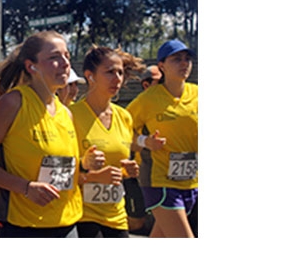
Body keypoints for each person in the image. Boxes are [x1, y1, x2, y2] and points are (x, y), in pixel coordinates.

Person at [0, 30, 84, 238]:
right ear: (32, 66)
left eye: (67, 56)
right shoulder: (13, 103)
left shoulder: (66, 113)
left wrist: (88, 163)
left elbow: (64, 168)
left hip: (68, 225)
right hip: (23, 228)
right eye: (54, 57)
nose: (65, 63)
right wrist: (26, 187)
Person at [70, 45, 145, 238]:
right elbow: (58, 172)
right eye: (110, 72)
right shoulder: (70, 116)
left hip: (116, 215)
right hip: (82, 216)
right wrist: (91, 174)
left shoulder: (124, 116)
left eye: (120, 72)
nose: (117, 78)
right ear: (90, 75)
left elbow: (116, 168)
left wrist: (127, 171)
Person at [126, 39, 198, 238]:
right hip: (158, 180)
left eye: (187, 59)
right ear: (161, 66)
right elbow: (121, 130)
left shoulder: (198, 93)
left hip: (190, 181)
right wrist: (144, 142)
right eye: (177, 59)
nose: (184, 63)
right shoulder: (148, 99)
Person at [124, 64, 161, 235]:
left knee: (162, 223)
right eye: (159, 81)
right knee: (138, 223)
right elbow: (124, 134)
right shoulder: (141, 104)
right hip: (143, 173)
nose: (165, 84)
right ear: (146, 85)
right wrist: (145, 141)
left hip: (173, 175)